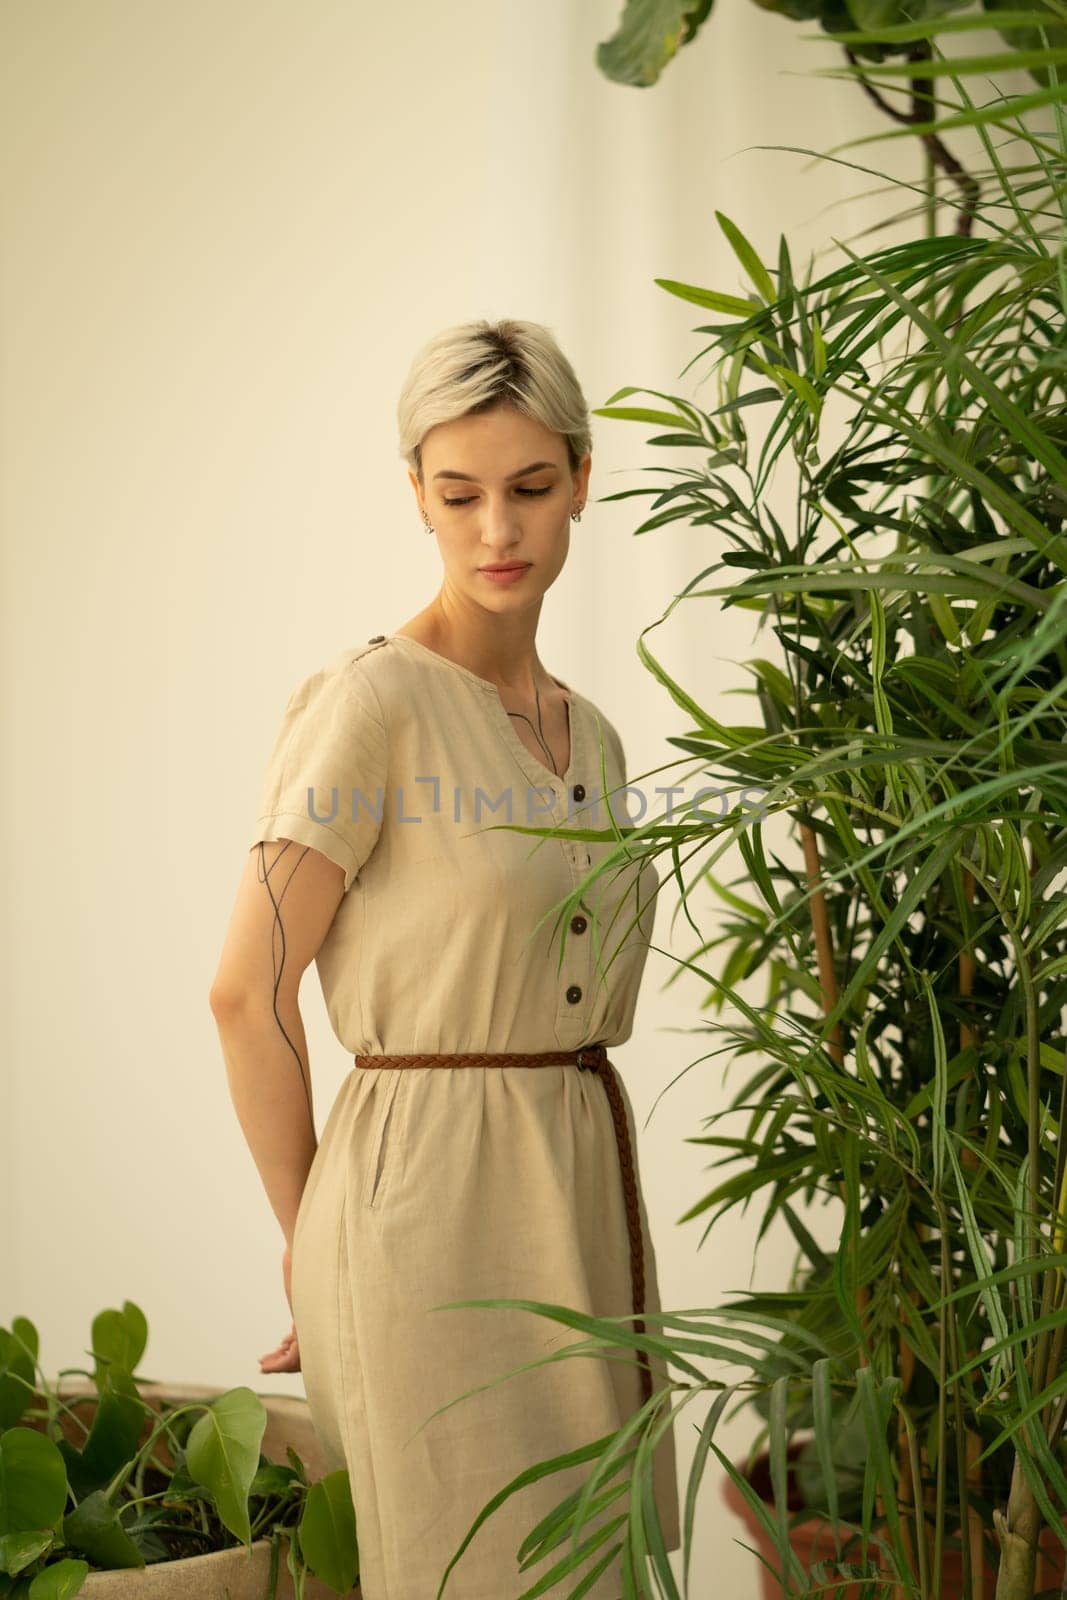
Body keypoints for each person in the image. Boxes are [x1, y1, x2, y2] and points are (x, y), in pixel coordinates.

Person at [209, 318, 681, 1600]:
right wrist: (313, 1242)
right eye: (458, 493)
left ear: (582, 477)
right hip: (421, 1208)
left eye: (530, 488)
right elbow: (244, 993)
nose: (497, 531)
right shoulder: (371, 704)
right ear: (413, 491)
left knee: (597, 1572)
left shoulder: (591, 737)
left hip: (575, 1190)